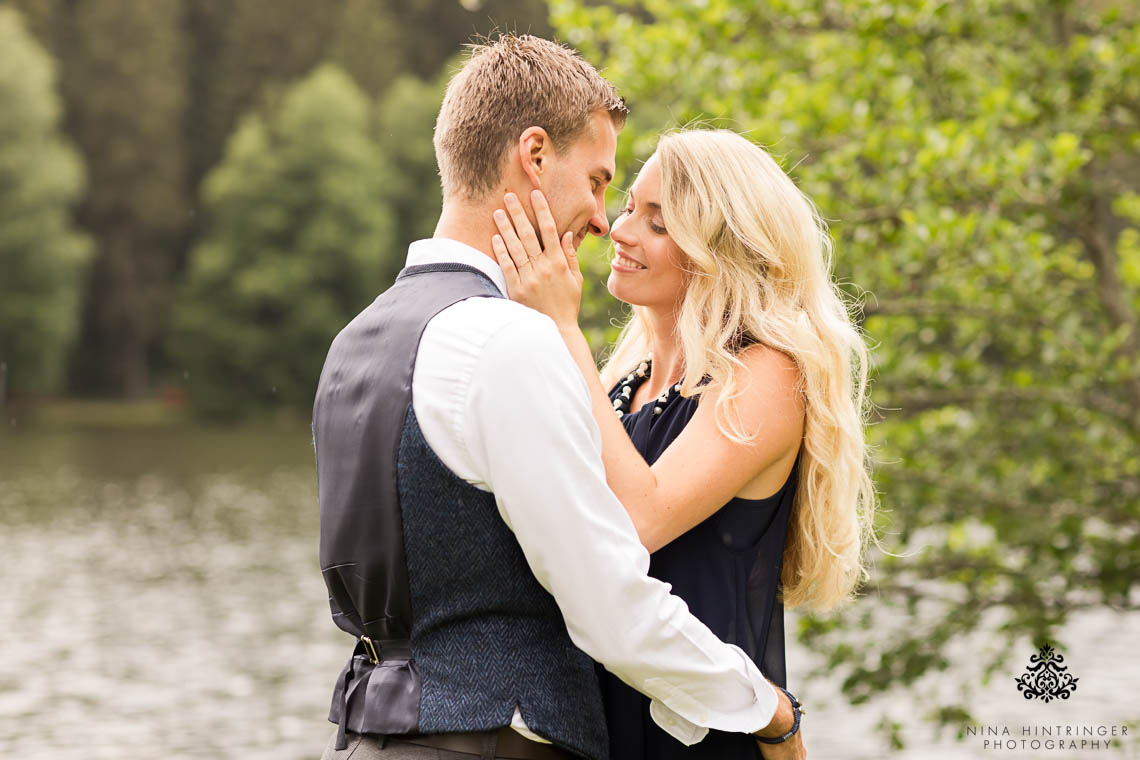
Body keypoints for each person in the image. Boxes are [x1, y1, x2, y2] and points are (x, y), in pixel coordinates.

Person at [313, 37, 806, 760]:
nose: (607, 223)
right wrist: (766, 709)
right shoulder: (511, 343)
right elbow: (609, 605)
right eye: (602, 182)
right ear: (534, 155)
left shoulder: (358, 341)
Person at [491, 128, 876, 759]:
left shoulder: (765, 375)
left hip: (704, 737)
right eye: (628, 208)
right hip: (600, 730)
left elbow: (637, 520)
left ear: (722, 252)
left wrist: (561, 326)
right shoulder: (622, 380)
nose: (619, 229)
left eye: (659, 224)